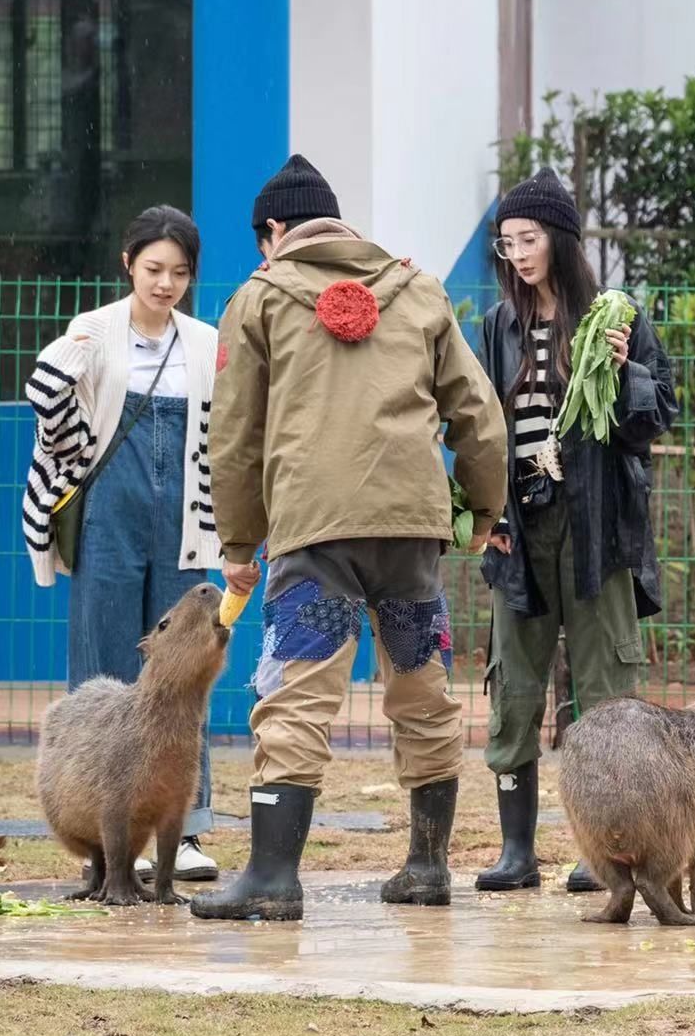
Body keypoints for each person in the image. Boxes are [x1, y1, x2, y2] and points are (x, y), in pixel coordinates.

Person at [195, 155, 508, 921]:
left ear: (273, 232)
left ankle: (273, 876)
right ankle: (428, 867)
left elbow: (234, 434)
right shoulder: (420, 292)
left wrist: (238, 542)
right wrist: (481, 512)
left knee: (298, 694)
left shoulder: (259, 298)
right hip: (411, 530)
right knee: (423, 691)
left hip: (316, 530)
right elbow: (482, 420)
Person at [475, 169, 678, 893]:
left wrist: (627, 376)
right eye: (508, 242)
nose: (520, 254)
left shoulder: (616, 318)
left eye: (530, 239)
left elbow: (654, 422)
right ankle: (515, 851)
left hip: (598, 525)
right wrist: (482, 513)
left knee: (605, 687)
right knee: (515, 683)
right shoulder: (496, 327)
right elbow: (475, 428)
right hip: (520, 528)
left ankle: (610, 848)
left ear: (561, 240)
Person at [22, 205, 225, 885]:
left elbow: (222, 435)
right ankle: (95, 840)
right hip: (108, 513)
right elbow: (46, 402)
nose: (165, 284)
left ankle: (185, 828)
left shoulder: (204, 341)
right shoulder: (94, 330)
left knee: (187, 671)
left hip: (185, 517)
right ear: (128, 264)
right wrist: (68, 367)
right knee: (103, 666)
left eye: (179, 273)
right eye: (154, 269)